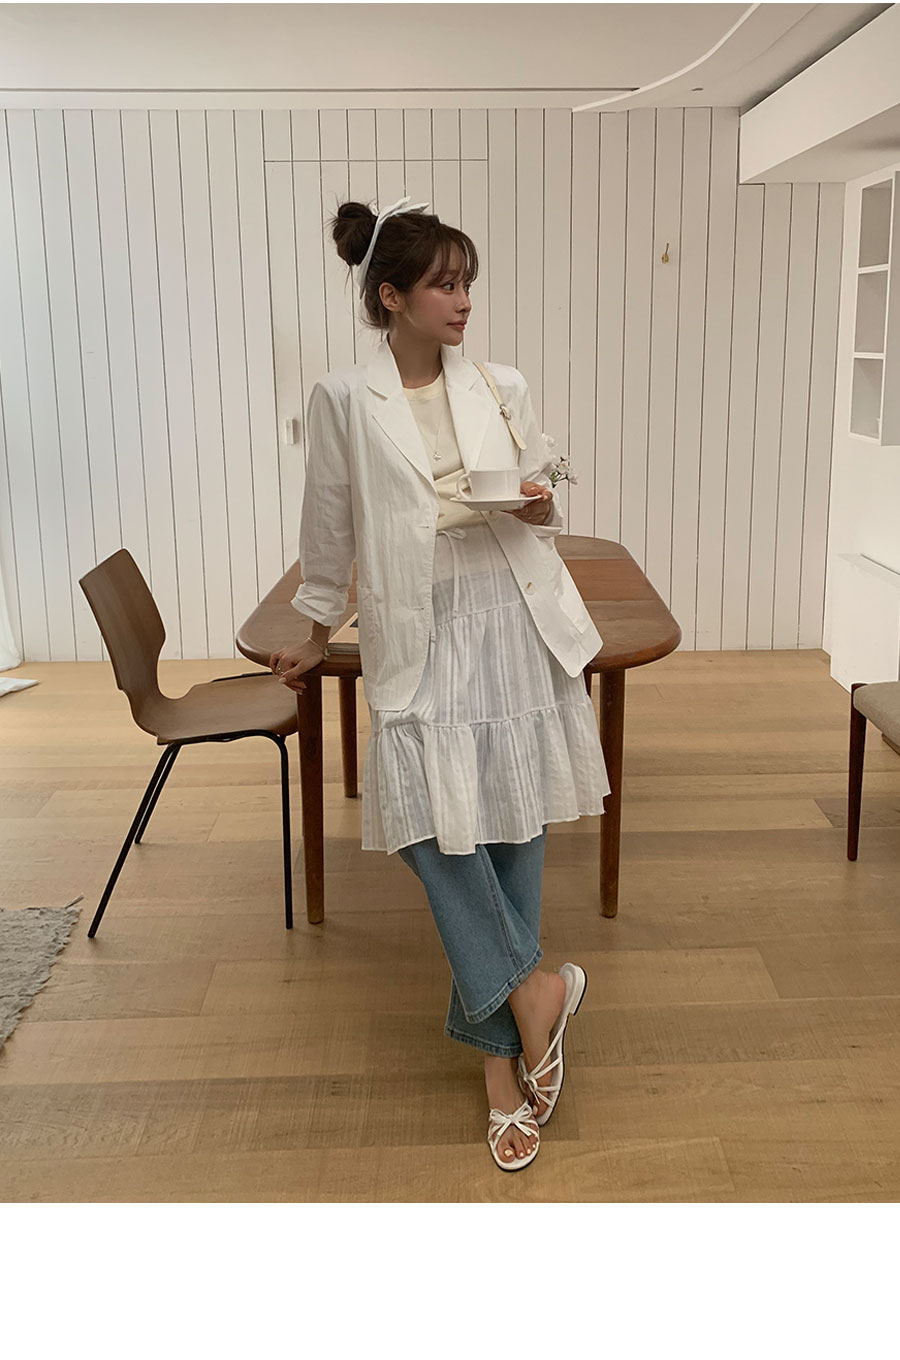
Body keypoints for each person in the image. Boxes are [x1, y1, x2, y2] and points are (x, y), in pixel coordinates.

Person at [269, 195, 611, 1171]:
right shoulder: (345, 399)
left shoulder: (502, 384)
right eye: (443, 284)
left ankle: (501, 1068)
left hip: (509, 611)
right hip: (418, 625)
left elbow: (540, 494)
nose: (463, 301)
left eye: (467, 283)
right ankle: (537, 989)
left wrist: (540, 504)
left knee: (509, 824)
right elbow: (330, 522)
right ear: (392, 296)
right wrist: (315, 624)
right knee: (428, 823)